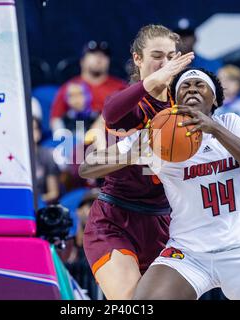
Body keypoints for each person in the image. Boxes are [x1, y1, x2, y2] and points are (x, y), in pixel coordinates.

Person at [114, 68, 240, 300]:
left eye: (200, 84)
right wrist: (129, 155)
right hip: (188, 253)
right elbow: (89, 166)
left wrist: (215, 129)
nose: (192, 89)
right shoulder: (158, 134)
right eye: (185, 86)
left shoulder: (231, 123)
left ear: (214, 98)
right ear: (175, 101)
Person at [78, 24, 194, 299]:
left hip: (165, 222)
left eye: (171, 56)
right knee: (129, 300)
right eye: (157, 55)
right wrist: (154, 82)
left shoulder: (184, 107)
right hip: (115, 219)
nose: (165, 63)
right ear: (138, 58)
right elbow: (111, 113)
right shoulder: (129, 103)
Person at [50, 41, 127, 134]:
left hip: (112, 138)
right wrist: (64, 139)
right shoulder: (69, 87)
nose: (99, 58)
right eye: (93, 54)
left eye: (104, 55)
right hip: (76, 139)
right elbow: (55, 118)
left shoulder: (121, 88)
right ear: (82, 61)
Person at [32, 116, 60, 203]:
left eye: (35, 128)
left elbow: (54, 193)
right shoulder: (15, 158)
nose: (31, 132)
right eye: (27, 128)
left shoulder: (47, 156)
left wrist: (35, 202)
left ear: (39, 133)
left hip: (40, 207)